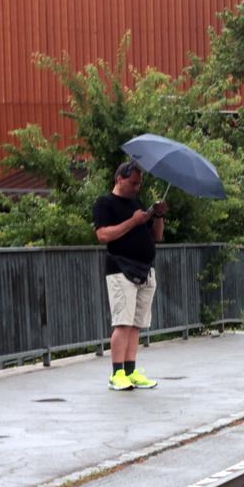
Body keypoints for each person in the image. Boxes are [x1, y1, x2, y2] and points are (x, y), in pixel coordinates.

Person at [93, 161, 167, 390]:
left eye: (140, 183)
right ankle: (117, 374)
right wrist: (133, 221)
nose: (137, 187)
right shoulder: (105, 203)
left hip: (145, 269)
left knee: (136, 325)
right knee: (123, 323)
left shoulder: (138, 203)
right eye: (133, 183)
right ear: (119, 179)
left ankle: (130, 370)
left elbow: (158, 237)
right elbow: (103, 235)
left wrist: (157, 216)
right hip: (120, 269)